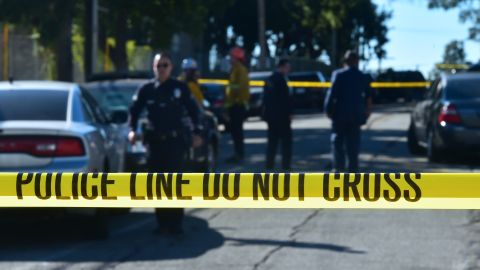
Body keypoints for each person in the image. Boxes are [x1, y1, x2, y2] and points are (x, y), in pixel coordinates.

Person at [128, 53, 203, 235]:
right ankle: (162, 223)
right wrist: (132, 130)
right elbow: (134, 112)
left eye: (165, 65)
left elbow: (194, 111)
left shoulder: (180, 88)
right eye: (158, 66)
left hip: (175, 142)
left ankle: (176, 223)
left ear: (171, 67)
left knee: (175, 183)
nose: (161, 69)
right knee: (157, 183)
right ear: (153, 68)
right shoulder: (146, 89)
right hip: (155, 143)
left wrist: (197, 133)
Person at [324, 50, 373, 173]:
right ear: (357, 62)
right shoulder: (363, 76)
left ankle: (339, 170)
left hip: (339, 115)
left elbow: (331, 95)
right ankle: (353, 173)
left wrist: (328, 110)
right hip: (356, 116)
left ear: (345, 62)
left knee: (337, 143)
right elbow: (369, 97)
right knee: (353, 146)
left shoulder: (338, 75)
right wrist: (367, 111)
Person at [263, 59, 293, 170]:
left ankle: (269, 166)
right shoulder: (282, 80)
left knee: (272, 143)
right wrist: (289, 113)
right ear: (282, 67)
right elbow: (286, 100)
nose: (288, 70)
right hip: (283, 117)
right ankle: (286, 166)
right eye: (287, 67)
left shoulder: (269, 79)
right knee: (286, 143)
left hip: (271, 117)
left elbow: (265, 99)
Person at [225, 46, 250, 163]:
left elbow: (239, 87)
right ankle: (237, 154)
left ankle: (239, 155)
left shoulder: (240, 70)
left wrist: (232, 98)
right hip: (233, 105)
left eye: (231, 57)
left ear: (236, 57)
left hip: (237, 105)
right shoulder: (235, 69)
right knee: (235, 132)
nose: (230, 59)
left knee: (237, 132)